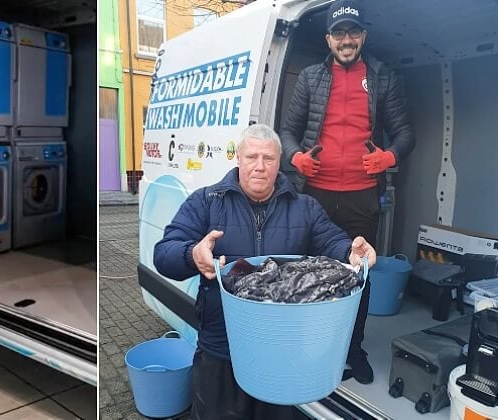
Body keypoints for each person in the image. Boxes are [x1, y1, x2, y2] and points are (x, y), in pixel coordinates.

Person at [153, 124, 376, 420]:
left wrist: (351, 250)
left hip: (284, 351)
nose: (260, 166)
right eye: (251, 157)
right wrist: (192, 255)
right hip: (222, 348)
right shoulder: (206, 202)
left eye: (268, 159)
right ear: (238, 158)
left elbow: (331, 240)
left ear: (279, 161)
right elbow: (163, 254)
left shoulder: (305, 207)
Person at [280, 0, 415, 384]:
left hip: (361, 197)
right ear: (328, 39)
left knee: (358, 276)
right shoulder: (309, 78)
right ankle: (311, 349)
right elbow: (288, 132)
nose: (347, 40)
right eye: (339, 33)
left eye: (353, 32)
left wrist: (388, 156)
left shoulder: (382, 77)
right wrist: (296, 158)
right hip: (314, 199)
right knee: (311, 275)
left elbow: (406, 133)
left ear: (364, 36)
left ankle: (353, 350)